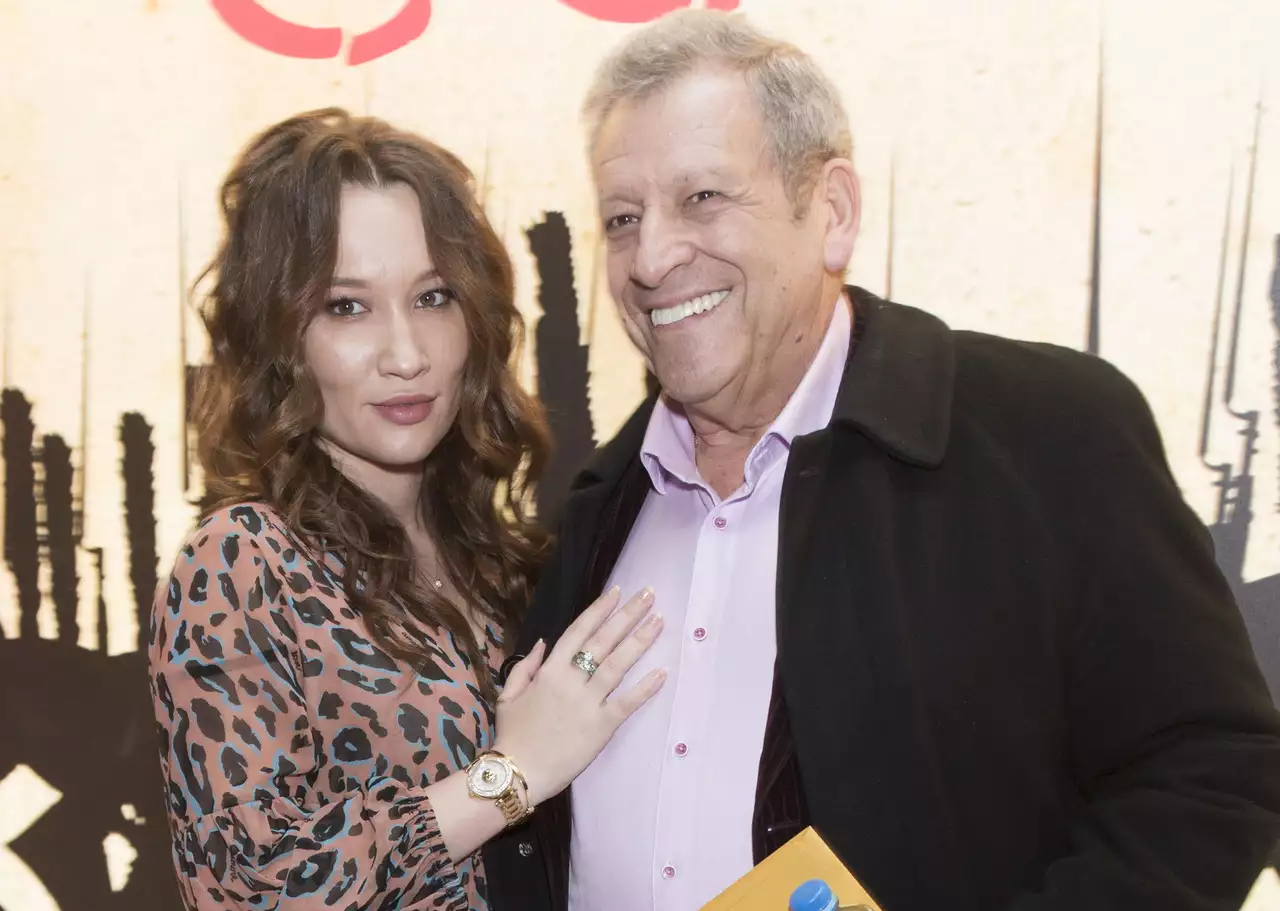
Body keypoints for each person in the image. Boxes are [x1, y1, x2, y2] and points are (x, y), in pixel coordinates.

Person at [482, 11, 1280, 911]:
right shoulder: (590, 507)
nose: (653, 257)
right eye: (623, 219)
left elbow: (1210, 768)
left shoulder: (1049, 435)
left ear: (832, 212)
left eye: (702, 197)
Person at [147, 109, 667, 911]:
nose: (406, 354)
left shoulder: (506, 561)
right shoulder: (242, 562)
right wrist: (511, 774)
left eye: (433, 297)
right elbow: (247, 889)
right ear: (278, 336)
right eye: (346, 307)